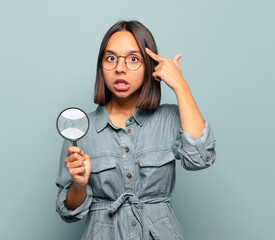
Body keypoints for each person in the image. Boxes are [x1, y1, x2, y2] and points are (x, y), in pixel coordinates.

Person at [55, 20, 216, 240]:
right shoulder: (81, 130)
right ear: (101, 66)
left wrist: (181, 86)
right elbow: (69, 212)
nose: (120, 68)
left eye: (133, 59)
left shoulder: (169, 118)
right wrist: (79, 185)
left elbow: (201, 158)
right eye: (111, 58)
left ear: (149, 67)